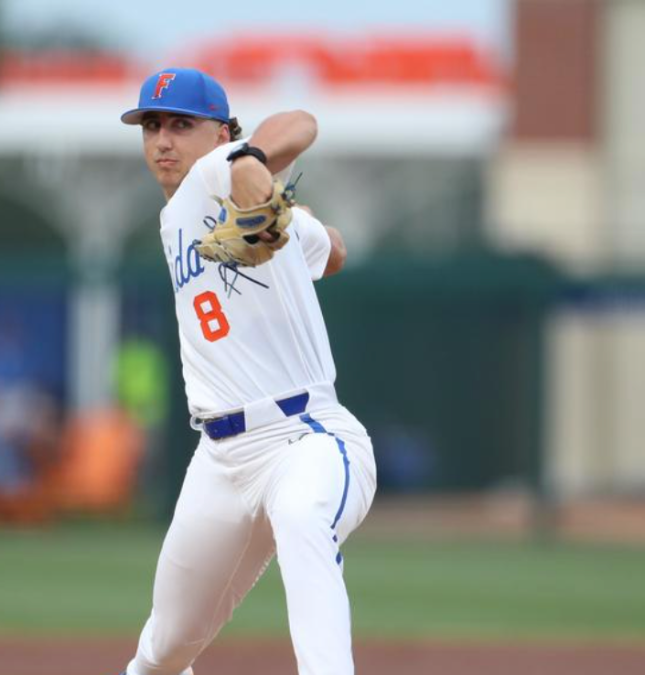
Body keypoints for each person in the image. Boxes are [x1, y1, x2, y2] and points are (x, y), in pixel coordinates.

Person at [116, 68, 377, 675]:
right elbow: (331, 251)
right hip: (219, 461)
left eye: (182, 124)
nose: (163, 139)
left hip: (305, 438)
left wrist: (250, 163)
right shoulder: (183, 211)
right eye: (151, 125)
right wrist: (300, 223)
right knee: (164, 648)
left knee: (302, 518)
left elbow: (303, 124)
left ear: (221, 132)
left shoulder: (219, 170)